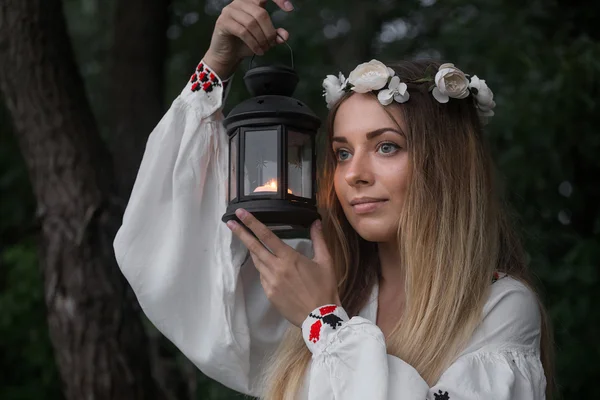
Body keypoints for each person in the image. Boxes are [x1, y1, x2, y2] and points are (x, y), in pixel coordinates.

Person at [113, 0, 554, 398]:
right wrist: (217, 65)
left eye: (386, 147)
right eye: (342, 153)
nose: (354, 175)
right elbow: (172, 260)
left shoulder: (497, 306)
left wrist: (322, 320)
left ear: (445, 166)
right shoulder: (332, 280)